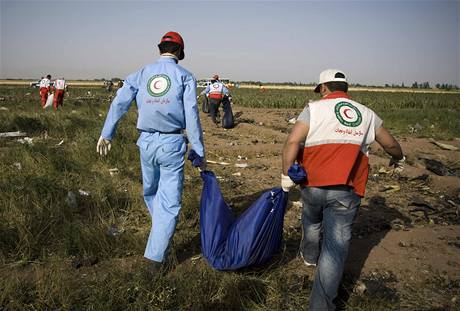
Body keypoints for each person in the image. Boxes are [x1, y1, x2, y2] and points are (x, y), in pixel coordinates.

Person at [281, 69, 404, 311]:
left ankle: (309, 256)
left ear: (324, 88)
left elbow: (293, 141)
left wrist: (286, 174)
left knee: (312, 221)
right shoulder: (366, 114)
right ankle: (321, 305)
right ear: (345, 88)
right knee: (335, 249)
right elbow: (389, 143)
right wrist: (399, 158)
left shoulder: (313, 109)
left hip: (313, 185)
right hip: (347, 190)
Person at [96, 31, 206, 273]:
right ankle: (154, 260)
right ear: (179, 52)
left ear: (161, 49)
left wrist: (107, 132)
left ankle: (159, 235)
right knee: (168, 203)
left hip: (145, 144)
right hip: (171, 143)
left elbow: (119, 102)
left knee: (151, 193)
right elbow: (192, 117)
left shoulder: (141, 73)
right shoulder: (185, 76)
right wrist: (198, 150)